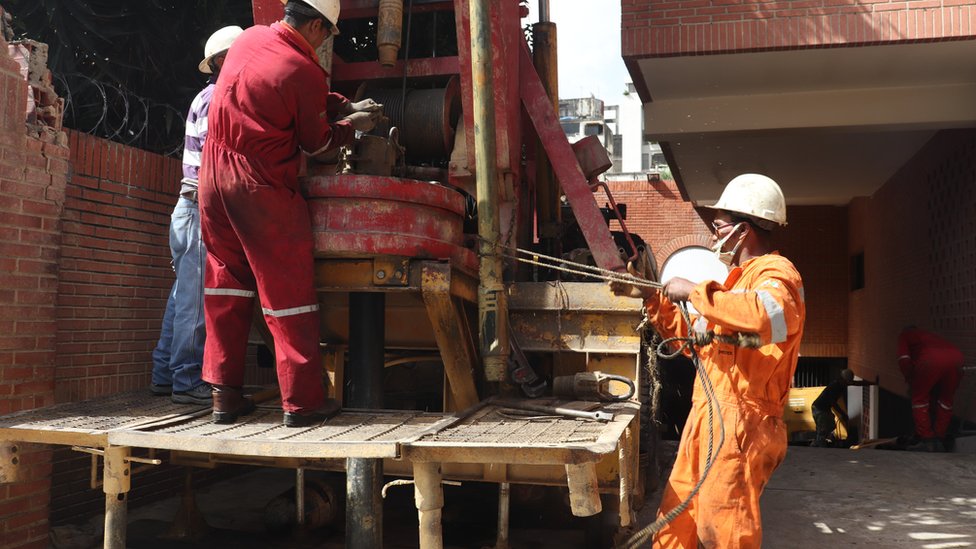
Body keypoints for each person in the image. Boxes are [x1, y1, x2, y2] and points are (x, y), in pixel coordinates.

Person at [198, 0, 380, 426]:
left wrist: (336, 103)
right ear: (316, 24)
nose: (324, 42)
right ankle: (302, 403)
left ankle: (224, 397)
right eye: (327, 34)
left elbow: (272, 89)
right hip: (257, 185)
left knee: (227, 282)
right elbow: (316, 144)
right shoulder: (304, 70)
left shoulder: (250, 38)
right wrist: (354, 127)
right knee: (287, 290)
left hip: (213, 177)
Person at [611, 173, 805, 547]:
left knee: (725, 529)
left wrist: (696, 291)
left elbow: (769, 316)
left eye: (718, 227)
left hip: (742, 422)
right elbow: (698, 341)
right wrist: (651, 298)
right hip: (711, 415)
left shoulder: (776, 275)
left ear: (742, 229)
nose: (714, 236)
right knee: (676, 522)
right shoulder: (737, 284)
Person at [150, 25, 244, 405]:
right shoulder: (216, 99)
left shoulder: (210, 96)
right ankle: (187, 381)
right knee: (193, 299)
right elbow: (217, 158)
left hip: (190, 211)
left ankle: (164, 374)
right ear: (222, 61)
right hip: (197, 211)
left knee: (181, 296)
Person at [897, 326, 964, 452]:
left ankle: (927, 440)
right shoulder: (929, 336)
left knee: (919, 400)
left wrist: (911, 379)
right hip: (957, 358)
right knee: (946, 399)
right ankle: (940, 437)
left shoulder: (905, 335)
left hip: (930, 360)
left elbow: (903, 359)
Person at [810, 368, 854, 447]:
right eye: (847, 382)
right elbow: (833, 403)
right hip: (819, 408)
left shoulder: (841, 384)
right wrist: (843, 414)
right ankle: (818, 446)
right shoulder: (835, 386)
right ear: (843, 379)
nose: (847, 384)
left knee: (831, 425)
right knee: (823, 429)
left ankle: (820, 441)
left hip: (824, 409)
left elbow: (855, 383)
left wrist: (871, 383)